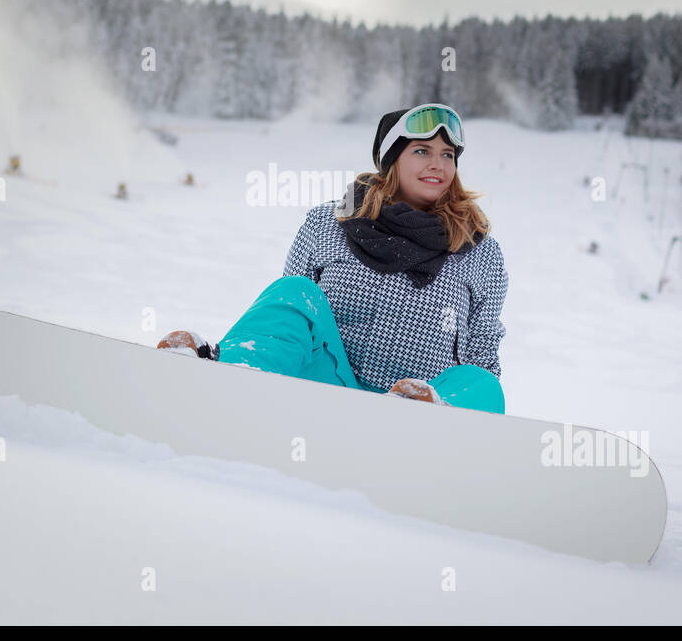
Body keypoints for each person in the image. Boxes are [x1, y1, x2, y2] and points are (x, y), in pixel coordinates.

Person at [158, 103, 509, 414]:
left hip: (423, 413)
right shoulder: (328, 224)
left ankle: (422, 420)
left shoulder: (480, 253)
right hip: (326, 392)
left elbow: (482, 356)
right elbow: (290, 319)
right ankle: (233, 379)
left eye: (447, 154)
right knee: (294, 292)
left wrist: (458, 395)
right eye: (422, 151)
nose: (438, 164)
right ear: (392, 160)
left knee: (481, 382)